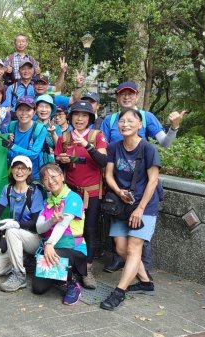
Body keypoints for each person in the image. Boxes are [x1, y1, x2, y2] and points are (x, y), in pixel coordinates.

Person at [101, 81, 185, 273]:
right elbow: (103, 147)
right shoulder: (110, 120)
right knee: (118, 220)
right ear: (117, 97)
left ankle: (144, 270)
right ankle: (119, 258)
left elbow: (164, 143)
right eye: (123, 94)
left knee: (139, 228)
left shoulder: (146, 118)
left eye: (131, 94)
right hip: (118, 180)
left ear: (137, 96)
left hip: (140, 181)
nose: (127, 97)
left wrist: (174, 127)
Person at [100, 108, 161, 311]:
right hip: (121, 203)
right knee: (120, 249)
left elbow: (153, 181)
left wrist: (140, 209)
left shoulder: (148, 149)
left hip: (145, 205)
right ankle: (145, 282)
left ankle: (119, 292)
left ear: (140, 125)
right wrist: (119, 192)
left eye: (130, 121)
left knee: (134, 248)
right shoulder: (114, 147)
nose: (125, 124)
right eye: (122, 121)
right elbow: (108, 175)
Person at [55, 100, 108, 289]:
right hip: (70, 193)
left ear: (90, 118)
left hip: (91, 193)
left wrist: (87, 145)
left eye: (84, 115)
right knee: (67, 228)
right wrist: (60, 160)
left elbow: (103, 161)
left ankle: (87, 269)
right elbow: (60, 166)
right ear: (71, 117)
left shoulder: (97, 136)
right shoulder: (64, 137)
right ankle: (67, 267)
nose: (80, 118)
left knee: (90, 230)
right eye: (76, 114)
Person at [0, 156, 44, 291]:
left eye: (23, 168)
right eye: (16, 167)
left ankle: (19, 276)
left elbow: (36, 224)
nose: (19, 171)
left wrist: (16, 224)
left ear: (29, 171)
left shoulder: (35, 192)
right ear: (11, 170)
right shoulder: (8, 189)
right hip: (14, 239)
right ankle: (23, 260)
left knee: (11, 230)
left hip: (32, 239)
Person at [33, 163, 87, 305]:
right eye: (46, 179)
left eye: (53, 176)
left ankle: (72, 283)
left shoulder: (73, 198)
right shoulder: (47, 202)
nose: (50, 181)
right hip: (53, 248)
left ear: (62, 177)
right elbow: (39, 229)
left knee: (55, 253)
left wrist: (49, 244)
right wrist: (51, 220)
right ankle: (59, 278)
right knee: (38, 288)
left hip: (74, 250)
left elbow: (63, 225)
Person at [1, 97, 47, 181]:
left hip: (33, 175)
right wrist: (7, 142)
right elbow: (4, 152)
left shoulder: (39, 129)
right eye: (20, 110)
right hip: (14, 173)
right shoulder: (11, 126)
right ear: (16, 111)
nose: (24, 113)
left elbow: (33, 155)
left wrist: (12, 146)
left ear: (34, 112)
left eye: (28, 110)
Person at [35, 94, 60, 165]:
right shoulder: (31, 124)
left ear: (51, 110)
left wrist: (53, 133)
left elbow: (60, 147)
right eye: (41, 106)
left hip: (50, 163)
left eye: (47, 107)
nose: (44, 110)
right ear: (36, 109)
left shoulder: (56, 127)